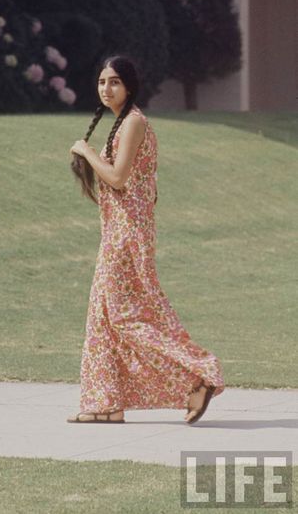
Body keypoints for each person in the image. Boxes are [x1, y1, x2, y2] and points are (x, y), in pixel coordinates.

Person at [67, 54, 224, 424]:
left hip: (127, 237)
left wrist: (86, 152)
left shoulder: (134, 122)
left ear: (130, 86)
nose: (107, 88)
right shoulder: (121, 124)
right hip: (116, 232)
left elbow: (119, 178)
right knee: (102, 317)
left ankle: (200, 375)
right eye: (103, 81)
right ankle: (105, 403)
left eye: (115, 82)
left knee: (122, 318)